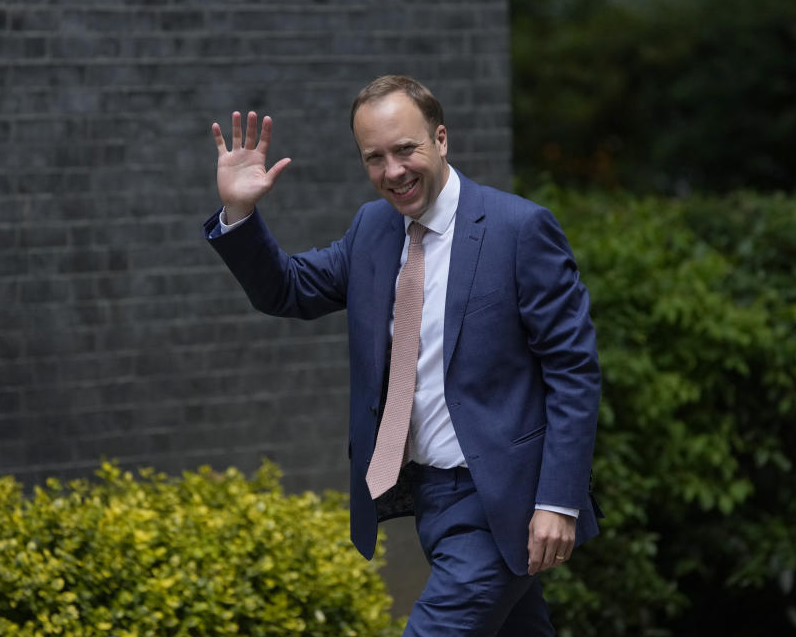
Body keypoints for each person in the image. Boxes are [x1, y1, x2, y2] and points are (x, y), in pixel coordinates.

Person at [203, 75, 601, 636]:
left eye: (406, 148)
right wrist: (239, 215)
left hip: (502, 503)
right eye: (375, 157)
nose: (393, 171)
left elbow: (573, 372)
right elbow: (286, 289)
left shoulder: (518, 229)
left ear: (441, 139)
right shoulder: (373, 229)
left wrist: (559, 501)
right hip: (431, 495)